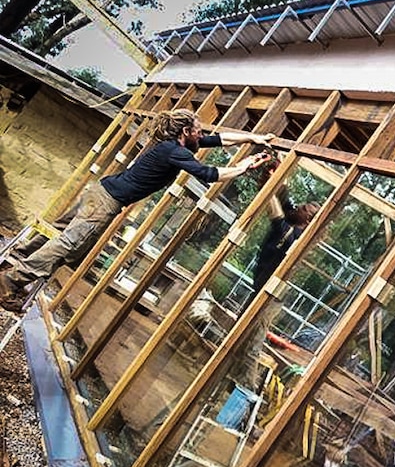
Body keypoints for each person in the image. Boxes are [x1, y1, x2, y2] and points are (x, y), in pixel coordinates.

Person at [0, 108, 275, 313]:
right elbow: (209, 173)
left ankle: (16, 258)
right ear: (185, 132)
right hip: (106, 201)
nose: (201, 134)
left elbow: (220, 140)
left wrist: (255, 137)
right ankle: (10, 281)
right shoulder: (175, 152)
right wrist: (243, 167)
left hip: (101, 191)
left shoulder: (174, 146)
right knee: (70, 244)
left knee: (59, 234)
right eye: (197, 130)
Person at [246, 195, 321, 304]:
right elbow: (284, 199)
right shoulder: (293, 224)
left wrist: (270, 191)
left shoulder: (293, 238)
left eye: (304, 209)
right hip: (263, 289)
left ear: (308, 221)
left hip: (268, 296)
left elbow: (278, 218)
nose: (299, 207)